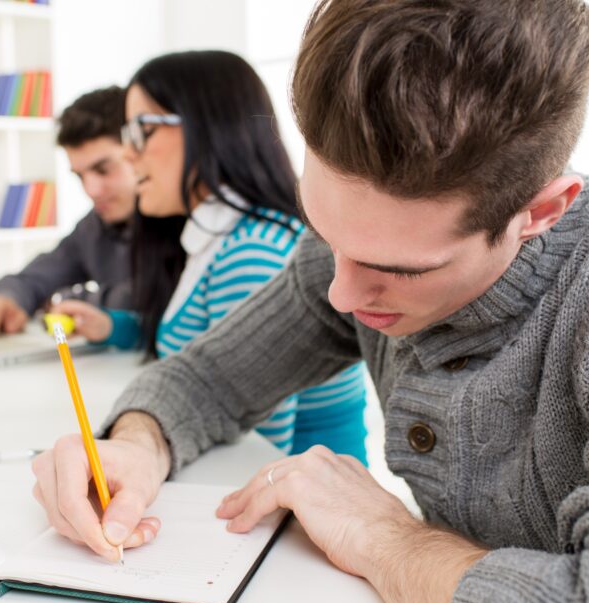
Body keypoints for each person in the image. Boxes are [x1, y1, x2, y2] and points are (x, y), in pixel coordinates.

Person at [31, 1, 589, 603]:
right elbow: (205, 379)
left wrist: (387, 538)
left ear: (540, 211)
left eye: (396, 268)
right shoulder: (348, 257)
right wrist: (134, 441)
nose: (341, 292)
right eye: (325, 230)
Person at [51, 51, 368, 461]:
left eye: (140, 131)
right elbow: (204, 341)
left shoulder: (252, 253)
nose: (129, 153)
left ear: (208, 125)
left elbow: (253, 448)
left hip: (298, 514)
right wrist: (114, 327)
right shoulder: (215, 235)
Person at [0, 86, 138, 338]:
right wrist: (5, 299)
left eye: (104, 170)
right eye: (79, 176)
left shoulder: (192, 227)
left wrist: (87, 300)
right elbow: (34, 278)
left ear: (140, 150)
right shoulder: (94, 227)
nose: (91, 190)